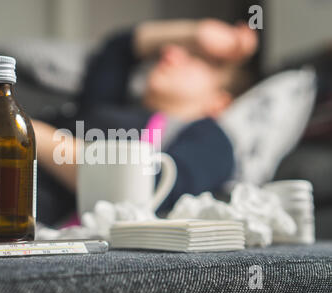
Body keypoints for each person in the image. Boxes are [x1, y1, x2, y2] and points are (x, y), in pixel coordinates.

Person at [33, 18, 258, 226]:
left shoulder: (211, 139)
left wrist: (24, 131)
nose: (170, 53)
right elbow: (119, 49)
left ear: (219, 102)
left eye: (196, 58)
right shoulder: (110, 105)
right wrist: (195, 33)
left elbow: (149, 188)